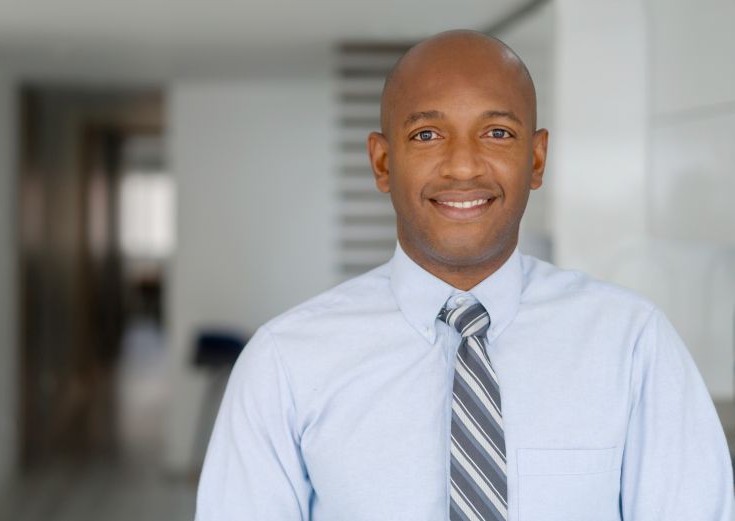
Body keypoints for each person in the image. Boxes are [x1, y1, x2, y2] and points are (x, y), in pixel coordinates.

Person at [195, 30, 734, 520]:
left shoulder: (634, 346)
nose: (463, 166)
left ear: (537, 159)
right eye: (427, 135)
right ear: (382, 163)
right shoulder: (283, 364)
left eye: (497, 132)